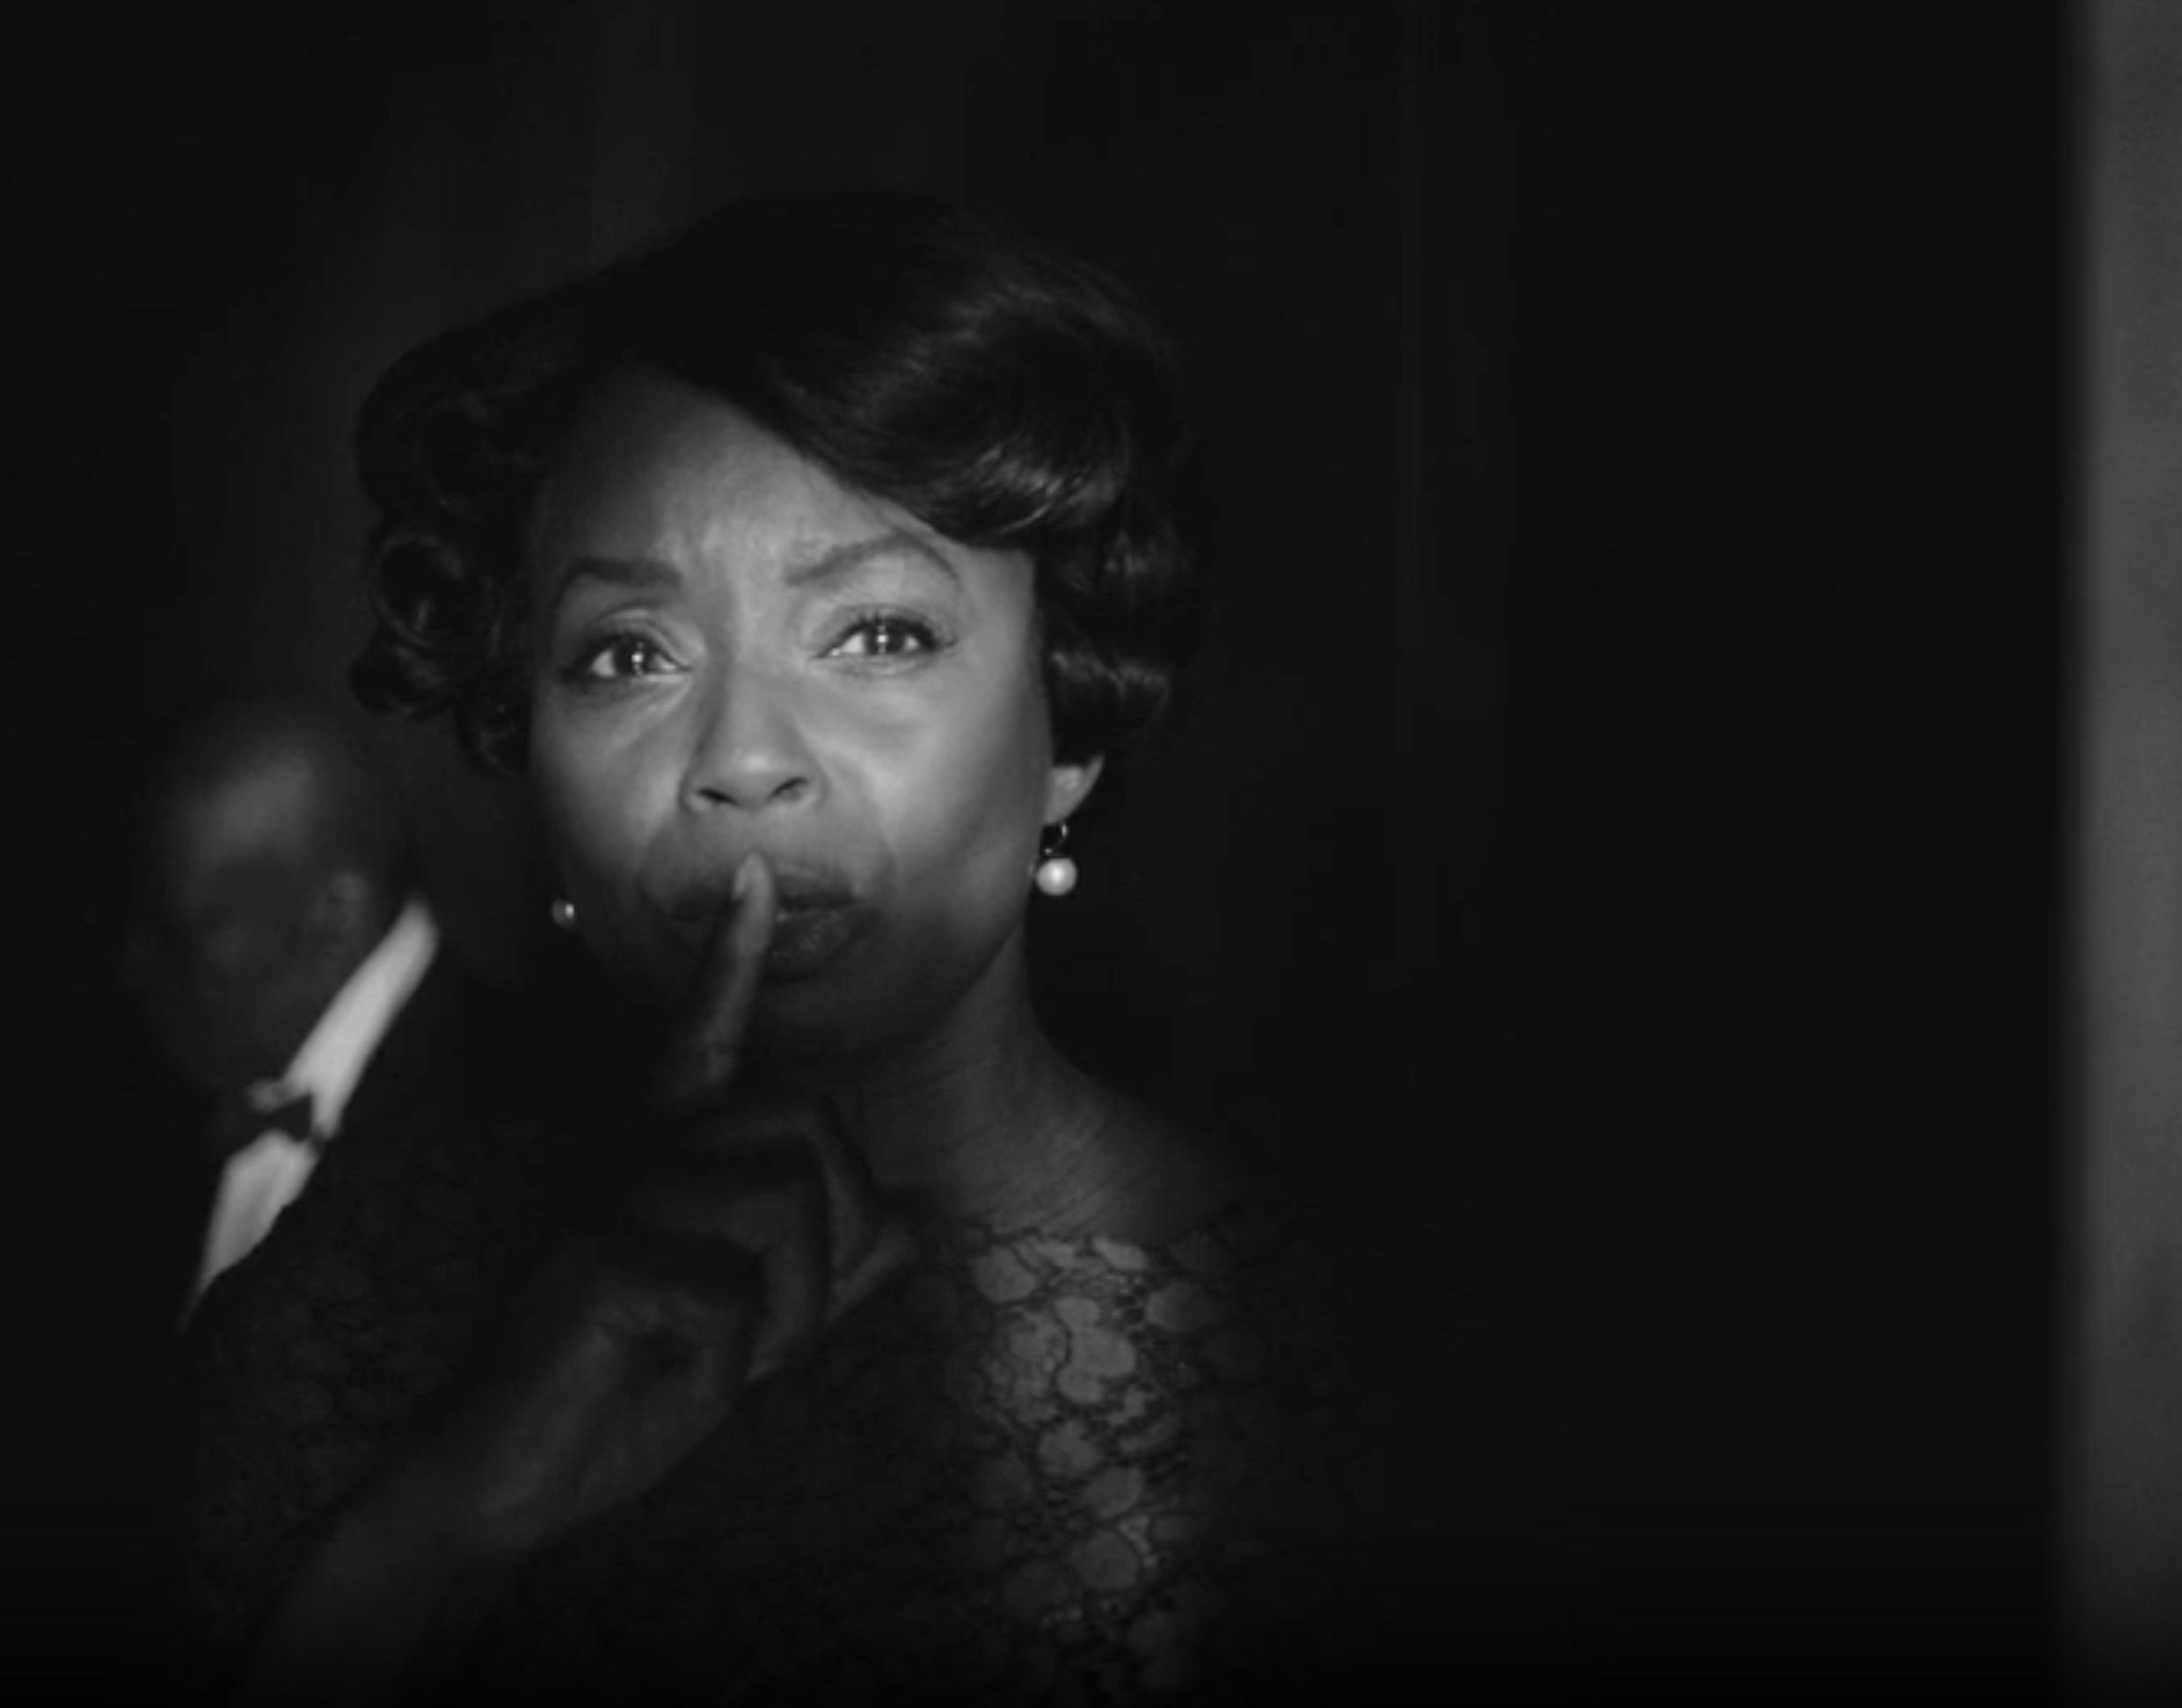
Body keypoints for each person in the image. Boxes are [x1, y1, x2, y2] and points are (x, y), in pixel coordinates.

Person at [171, 192, 1361, 1702]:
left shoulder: (1335, 1363)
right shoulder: (334, 1324)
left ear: (1067, 726)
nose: (740, 758)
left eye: (875, 634)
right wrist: (429, 1534)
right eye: (628, 654)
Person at [120, 701, 477, 1324]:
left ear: (335, 915)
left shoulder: (512, 1115)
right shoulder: (157, 1113)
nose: (134, 964)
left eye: (188, 928)